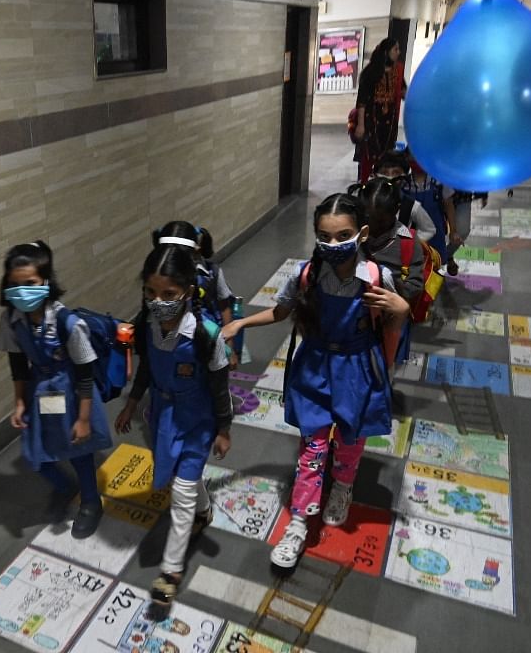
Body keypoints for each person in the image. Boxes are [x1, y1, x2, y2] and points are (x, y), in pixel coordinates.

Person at [222, 193, 409, 569]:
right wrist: (242, 322)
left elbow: (391, 327)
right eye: (325, 236)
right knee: (313, 447)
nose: (334, 245)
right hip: (316, 366)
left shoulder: (378, 277)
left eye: (343, 236)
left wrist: (400, 315)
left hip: (358, 368)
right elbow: (282, 309)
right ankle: (300, 522)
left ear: (363, 233)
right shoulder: (306, 274)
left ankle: (341, 486)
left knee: (351, 438)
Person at [114, 244, 233, 617]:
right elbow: (147, 369)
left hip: (197, 422)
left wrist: (223, 429)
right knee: (180, 479)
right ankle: (205, 509)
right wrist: (132, 403)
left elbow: (220, 386)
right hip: (163, 416)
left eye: (168, 295)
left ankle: (171, 570)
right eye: (150, 293)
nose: (158, 302)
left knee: (180, 493)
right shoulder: (146, 327)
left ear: (187, 290)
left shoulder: (206, 334)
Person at [0, 242, 112, 539]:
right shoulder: (11, 320)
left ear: (46, 282)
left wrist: (84, 418)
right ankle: (66, 487)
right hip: (39, 390)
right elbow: (17, 363)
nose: (22, 291)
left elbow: (85, 371)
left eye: (30, 284)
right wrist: (19, 402)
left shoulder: (67, 323)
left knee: (78, 449)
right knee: (37, 451)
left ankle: (90, 500)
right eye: (14, 285)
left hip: (71, 389)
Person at [357, 177, 428, 365]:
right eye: (366, 218)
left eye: (380, 221)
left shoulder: (408, 242)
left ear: (396, 210)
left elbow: (415, 286)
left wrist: (385, 285)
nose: (371, 226)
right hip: (355, 316)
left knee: (384, 366)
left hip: (390, 319)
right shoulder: (354, 235)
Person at [152, 221, 239, 368]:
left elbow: (224, 306)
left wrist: (229, 348)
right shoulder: (159, 277)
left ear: (195, 250)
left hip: (204, 338)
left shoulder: (211, 274)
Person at [352, 38, 406, 184]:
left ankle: (382, 183)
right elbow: (361, 101)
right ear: (386, 52)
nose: (398, 52)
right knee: (369, 153)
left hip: (389, 121)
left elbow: (403, 91)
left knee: (386, 152)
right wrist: (361, 125)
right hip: (372, 120)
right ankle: (365, 184)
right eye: (395, 49)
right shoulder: (371, 72)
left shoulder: (397, 71)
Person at [367, 151, 437, 246]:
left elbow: (429, 229)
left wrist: (410, 243)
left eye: (396, 172)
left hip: (399, 258)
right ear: (375, 175)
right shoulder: (366, 201)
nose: (390, 177)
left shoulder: (411, 206)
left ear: (404, 176)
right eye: (384, 173)